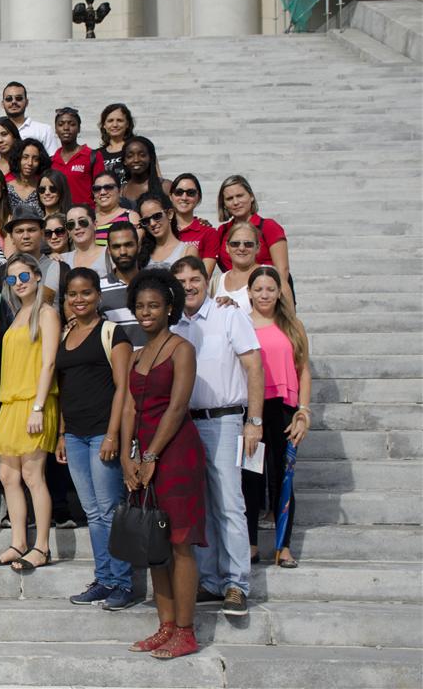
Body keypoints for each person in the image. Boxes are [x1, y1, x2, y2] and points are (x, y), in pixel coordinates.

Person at [171, 256, 265, 617]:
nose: (189, 286)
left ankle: (236, 584)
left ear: (206, 282)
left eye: (195, 279)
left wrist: (254, 420)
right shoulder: (175, 325)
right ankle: (209, 581)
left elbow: (253, 364)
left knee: (228, 503)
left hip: (225, 421)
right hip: (186, 424)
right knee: (200, 506)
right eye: (181, 281)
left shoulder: (228, 314)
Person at [120, 268, 207, 659]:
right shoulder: (136, 354)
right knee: (154, 543)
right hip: (143, 456)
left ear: (170, 307)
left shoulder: (181, 349)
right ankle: (165, 625)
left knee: (180, 543)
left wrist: (152, 454)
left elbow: (177, 406)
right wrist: (127, 455)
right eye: (140, 306)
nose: (146, 312)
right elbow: (128, 407)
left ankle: (186, 631)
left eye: (154, 305)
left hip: (176, 454)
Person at [54, 267, 135, 610]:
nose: (79, 299)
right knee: (92, 511)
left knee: (110, 510)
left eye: (86, 292)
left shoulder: (113, 333)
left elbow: (124, 388)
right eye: (73, 294)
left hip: (103, 431)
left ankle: (123, 583)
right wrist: (60, 433)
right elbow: (62, 388)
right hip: (74, 434)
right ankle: (103, 579)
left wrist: (114, 434)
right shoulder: (65, 334)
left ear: (98, 295)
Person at [0, 254, 60, 570]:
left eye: (24, 276)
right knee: (7, 475)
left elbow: (49, 363)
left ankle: (41, 547)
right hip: (11, 402)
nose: (19, 283)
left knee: (32, 475)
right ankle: (18, 543)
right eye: (12, 279)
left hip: (34, 402)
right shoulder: (17, 314)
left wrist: (39, 407)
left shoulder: (46, 313)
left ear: (38, 276)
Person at [244, 266, 310, 569]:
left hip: (285, 408)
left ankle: (283, 546)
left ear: (279, 292)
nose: (265, 294)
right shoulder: (242, 323)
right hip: (253, 409)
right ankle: (251, 544)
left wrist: (303, 412)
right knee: (251, 479)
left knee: (283, 478)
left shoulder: (292, 325)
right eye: (258, 289)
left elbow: (303, 370)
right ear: (249, 293)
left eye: (270, 288)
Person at [214, 175, 292, 302]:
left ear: (251, 196)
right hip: (231, 298)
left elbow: (282, 270)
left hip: (266, 298)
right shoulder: (221, 232)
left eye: (240, 196)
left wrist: (278, 302)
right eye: (229, 198)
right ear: (224, 204)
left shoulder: (268, 226)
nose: (235, 202)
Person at [0, 205, 61, 305]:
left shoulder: (59, 267)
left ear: (42, 234)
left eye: (31, 230)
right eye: (19, 231)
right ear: (11, 237)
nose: (25, 236)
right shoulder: (2, 273)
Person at [0, 81, 60, 163]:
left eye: (19, 98)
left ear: (27, 102)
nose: (13, 102)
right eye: (9, 99)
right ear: (3, 104)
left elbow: (53, 164)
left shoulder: (44, 130)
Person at [99, 222, 146, 348]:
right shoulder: (98, 289)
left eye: (128, 245)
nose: (123, 251)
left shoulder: (155, 284)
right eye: (116, 246)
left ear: (139, 246)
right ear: (109, 250)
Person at [51, 107, 106, 208]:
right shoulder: (51, 161)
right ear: (56, 129)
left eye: (72, 124)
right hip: (59, 217)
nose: (66, 128)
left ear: (79, 128)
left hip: (86, 216)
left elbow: (102, 190)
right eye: (61, 124)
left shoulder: (92, 156)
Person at [170, 173, 219, 276]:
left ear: (198, 198)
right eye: (179, 192)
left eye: (190, 193)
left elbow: (204, 276)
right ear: (171, 196)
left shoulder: (209, 233)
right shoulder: (163, 230)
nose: (184, 197)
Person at [138, 192, 199, 271]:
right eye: (146, 221)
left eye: (157, 216)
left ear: (170, 214)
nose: (152, 223)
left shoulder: (187, 251)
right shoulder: (141, 252)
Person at [211, 222, 262, 312]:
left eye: (248, 244)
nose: (241, 248)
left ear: (257, 247)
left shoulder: (269, 276)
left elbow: (288, 319)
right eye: (235, 244)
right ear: (227, 247)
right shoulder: (216, 282)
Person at [92, 174, 141, 246]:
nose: (102, 192)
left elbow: (135, 248)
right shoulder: (89, 220)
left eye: (108, 187)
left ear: (119, 190)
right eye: (97, 188)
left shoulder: (131, 217)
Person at [59, 205, 107, 276]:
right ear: (68, 230)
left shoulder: (109, 255)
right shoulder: (62, 259)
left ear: (95, 225)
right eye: (71, 224)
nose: (77, 227)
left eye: (82, 222)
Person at [121, 136, 169, 206]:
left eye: (142, 155)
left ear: (150, 158)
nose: (136, 160)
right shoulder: (122, 190)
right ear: (124, 161)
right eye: (130, 156)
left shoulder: (165, 186)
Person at [95, 103, 135, 186]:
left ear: (127, 124)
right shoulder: (96, 155)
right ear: (104, 125)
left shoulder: (138, 149)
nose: (115, 125)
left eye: (119, 120)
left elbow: (156, 178)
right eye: (110, 121)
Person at [7, 138, 49, 213]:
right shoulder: (7, 189)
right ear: (18, 159)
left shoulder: (44, 189)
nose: (30, 163)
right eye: (25, 157)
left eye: (35, 159)